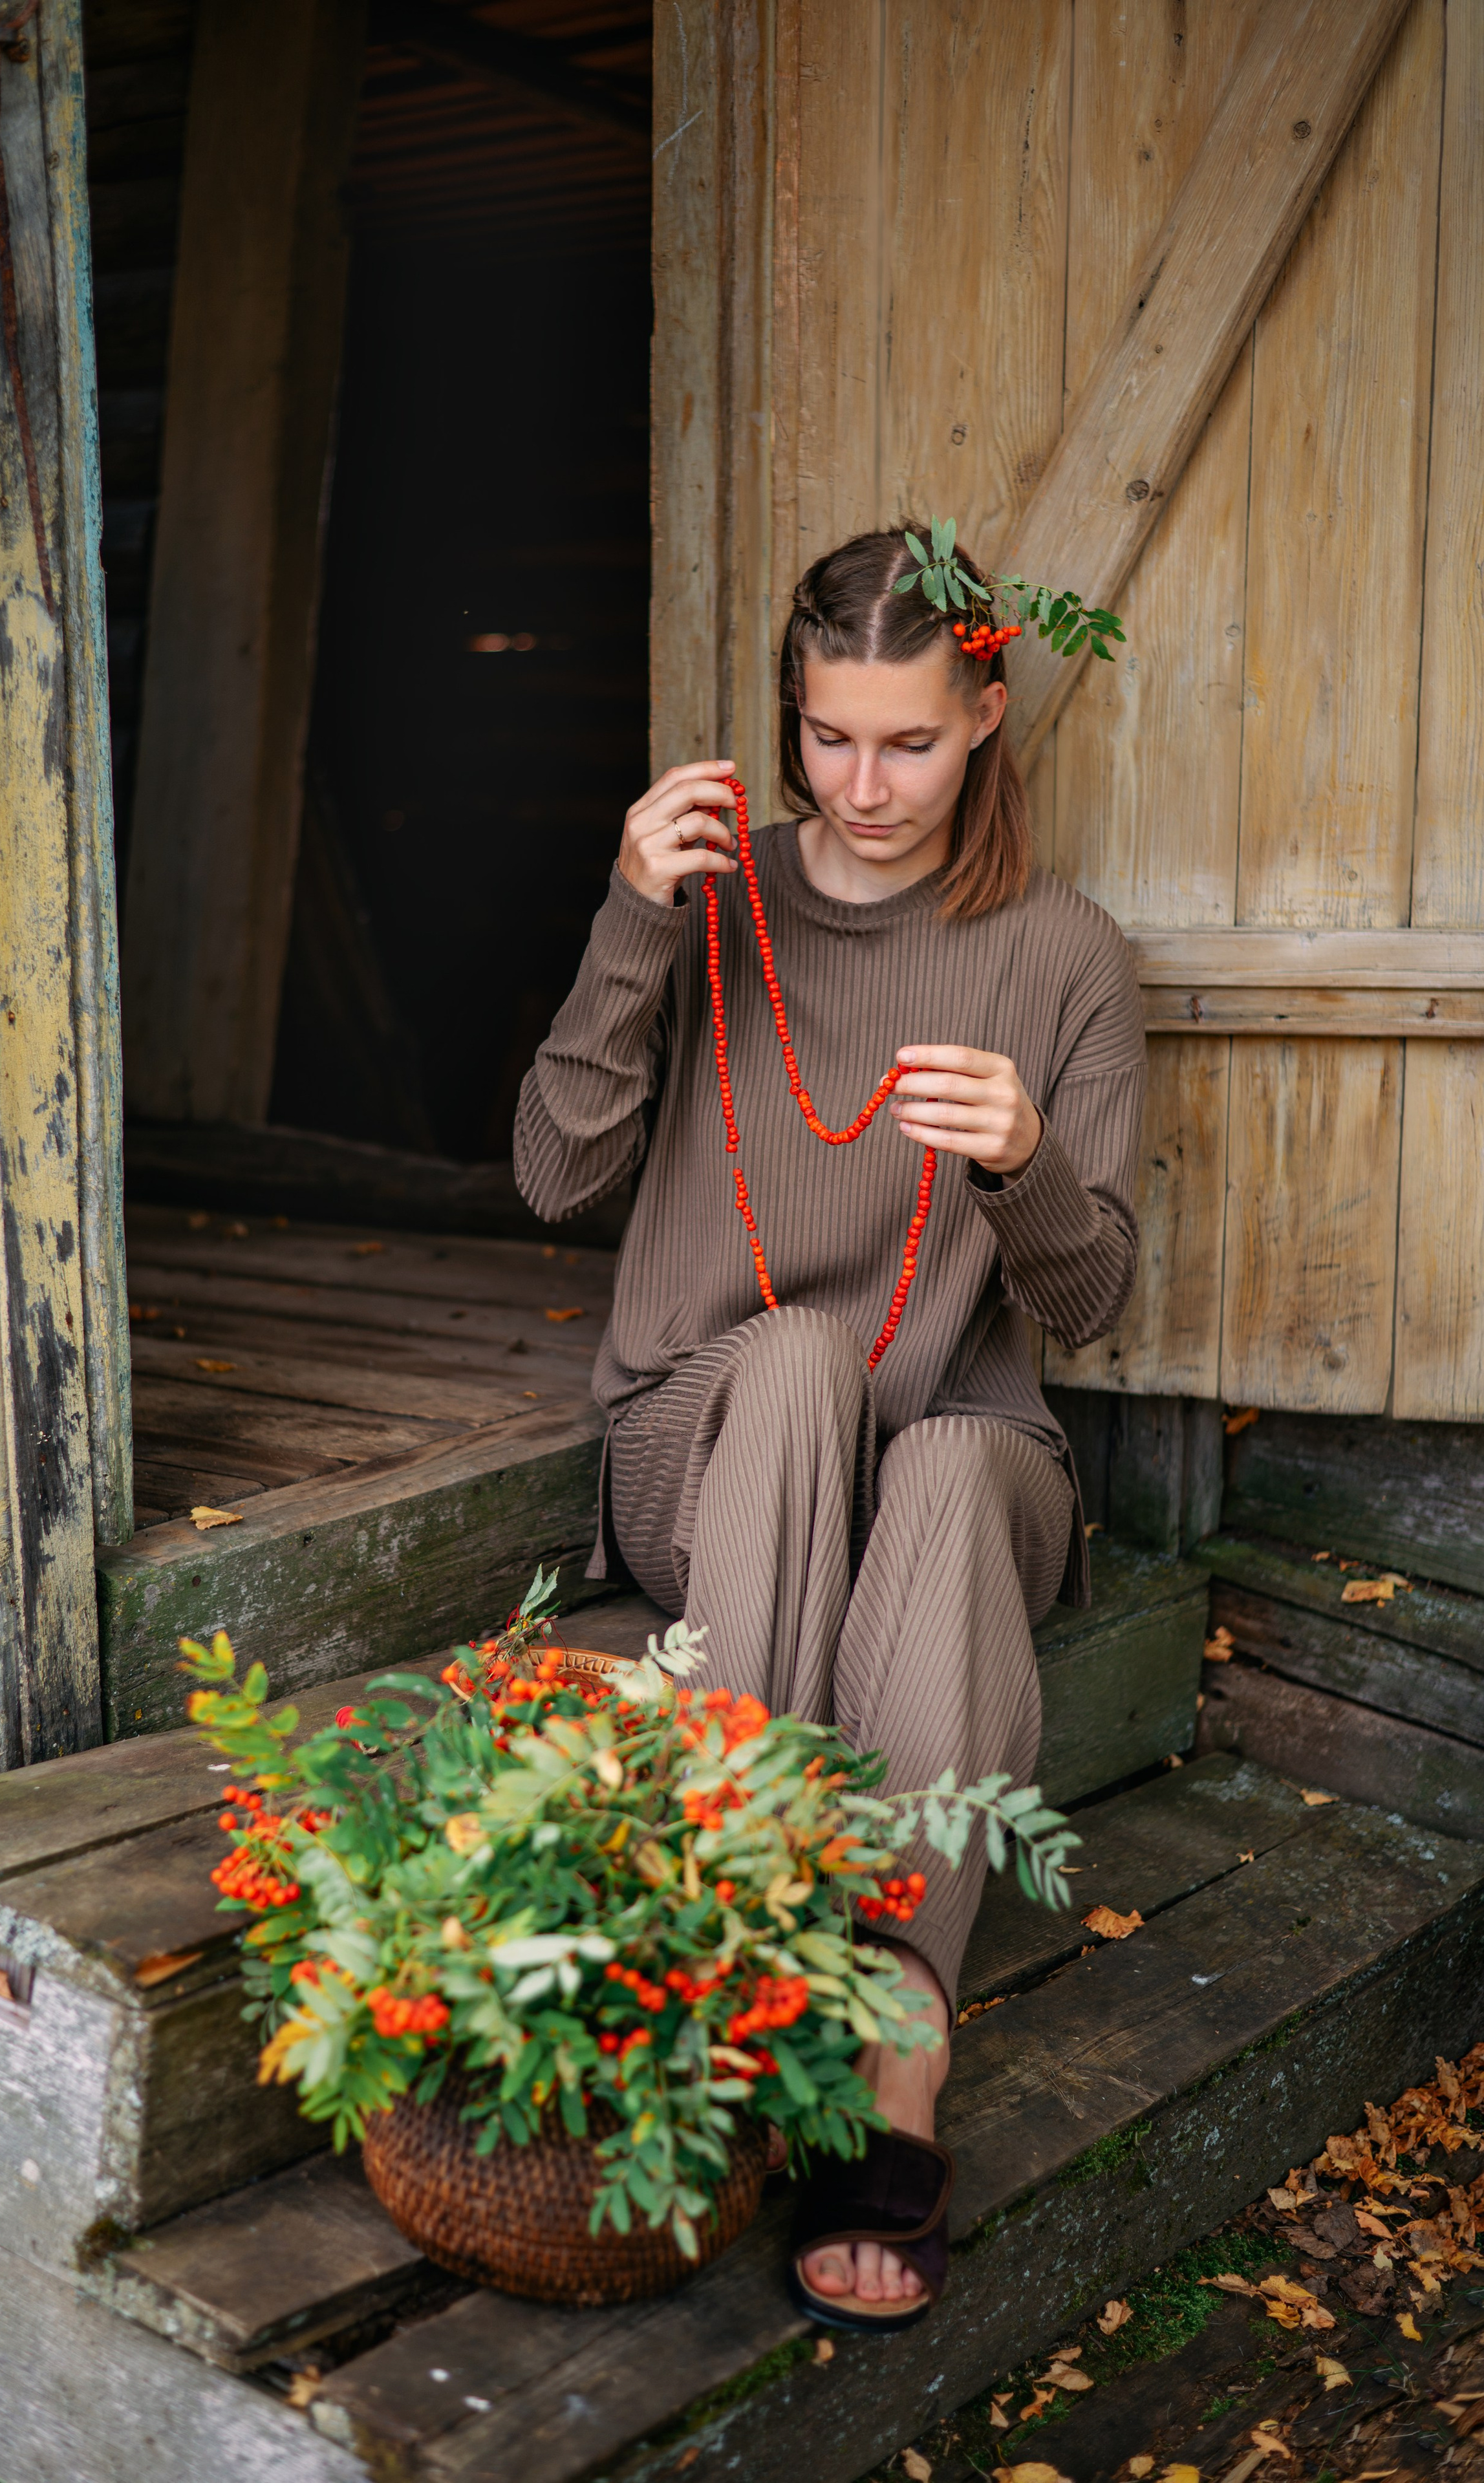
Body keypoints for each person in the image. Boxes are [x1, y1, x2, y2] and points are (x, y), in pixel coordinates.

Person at [514, 526, 1146, 2330]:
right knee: (791, 1358)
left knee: (948, 1450)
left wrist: (1025, 1169)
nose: (863, 788)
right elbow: (556, 1176)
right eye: (827, 738)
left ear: (988, 716)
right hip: (715, 1434)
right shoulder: (707, 897)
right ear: (790, 720)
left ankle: (888, 2070)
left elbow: (1088, 1306)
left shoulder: (1066, 953)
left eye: (911, 744)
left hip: (956, 1437)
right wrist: (635, 912)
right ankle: (724, 1937)